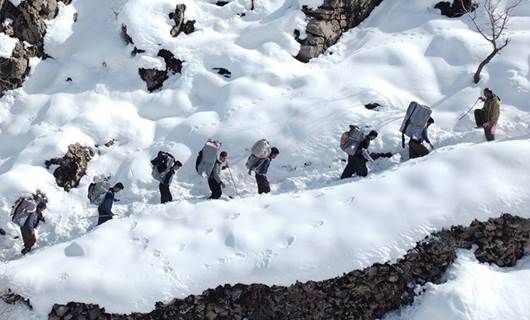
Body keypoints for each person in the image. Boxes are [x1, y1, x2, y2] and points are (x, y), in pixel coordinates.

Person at [11, 191, 47, 255]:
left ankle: (25, 254)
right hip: (27, 228)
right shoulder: (33, 212)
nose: (42, 210)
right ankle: (26, 255)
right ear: (39, 207)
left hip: (23, 227)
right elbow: (29, 222)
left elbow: (37, 216)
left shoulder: (35, 212)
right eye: (42, 209)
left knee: (27, 242)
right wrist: (31, 231)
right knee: (33, 240)